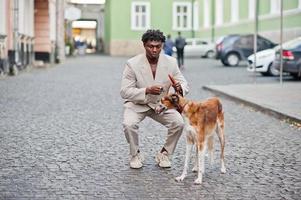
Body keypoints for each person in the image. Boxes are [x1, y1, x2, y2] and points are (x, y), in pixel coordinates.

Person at [120, 29, 189, 169]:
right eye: (150, 46)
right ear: (144, 45)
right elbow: (125, 91)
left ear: (162, 45)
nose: (154, 50)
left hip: (161, 104)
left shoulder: (171, 62)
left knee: (178, 123)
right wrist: (146, 90)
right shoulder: (132, 64)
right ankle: (135, 154)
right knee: (129, 124)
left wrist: (179, 87)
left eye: (158, 46)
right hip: (138, 104)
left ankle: (164, 153)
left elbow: (183, 83)